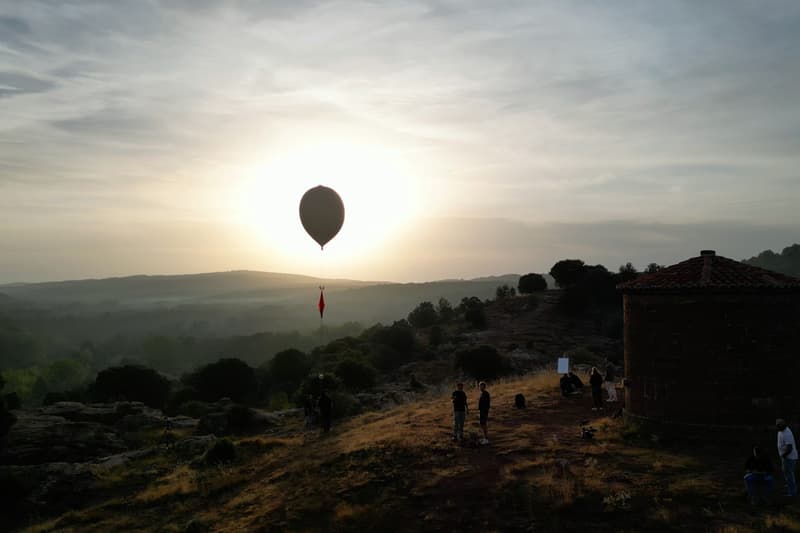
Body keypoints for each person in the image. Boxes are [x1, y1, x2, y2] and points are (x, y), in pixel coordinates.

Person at [776, 418, 797, 496]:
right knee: (787, 474)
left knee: (789, 475)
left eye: (779, 425)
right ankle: (790, 489)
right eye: (777, 425)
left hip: (789, 457)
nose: (777, 427)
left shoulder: (787, 433)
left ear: (783, 425)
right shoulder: (780, 431)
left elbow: (789, 448)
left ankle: (792, 492)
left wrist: (783, 456)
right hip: (786, 457)